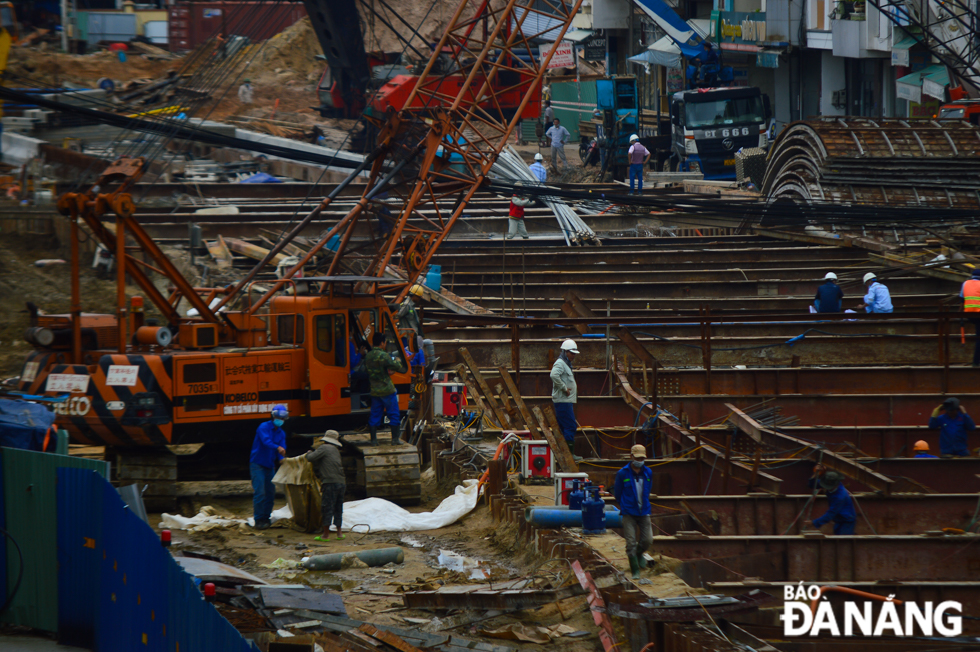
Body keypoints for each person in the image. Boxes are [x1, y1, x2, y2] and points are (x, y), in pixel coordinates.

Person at [613, 444, 653, 579]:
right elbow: (617, 493)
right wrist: (625, 505)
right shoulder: (623, 473)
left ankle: (639, 553)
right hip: (629, 512)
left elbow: (648, 490)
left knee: (647, 540)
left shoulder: (648, 472)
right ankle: (635, 569)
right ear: (631, 457)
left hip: (644, 511)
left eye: (642, 458)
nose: (640, 461)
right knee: (630, 542)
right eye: (638, 458)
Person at [365, 332, 408, 445]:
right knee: (393, 414)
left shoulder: (368, 356)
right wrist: (398, 361)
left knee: (375, 415)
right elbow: (396, 366)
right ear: (382, 343)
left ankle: (373, 440)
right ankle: (394, 440)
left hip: (375, 390)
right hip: (387, 390)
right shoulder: (383, 355)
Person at [249, 404, 288, 529]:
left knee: (270, 493)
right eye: (279, 418)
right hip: (258, 464)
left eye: (283, 419)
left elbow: (282, 449)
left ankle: (266, 518)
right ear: (273, 416)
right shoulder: (263, 427)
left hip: (270, 466)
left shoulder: (281, 433)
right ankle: (258, 519)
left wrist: (282, 459)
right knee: (260, 492)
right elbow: (266, 442)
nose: (280, 421)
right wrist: (278, 448)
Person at [307, 431, 346, 541]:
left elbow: (311, 458)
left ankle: (325, 535)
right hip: (341, 482)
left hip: (330, 482)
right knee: (338, 507)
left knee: (327, 507)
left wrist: (308, 453)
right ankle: (339, 533)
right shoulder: (336, 450)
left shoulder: (324, 448)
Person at [807, 465, 856, 535]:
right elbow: (812, 485)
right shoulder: (829, 482)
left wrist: (814, 522)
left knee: (843, 542)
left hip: (846, 521)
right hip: (838, 519)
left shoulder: (840, 496)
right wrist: (816, 474)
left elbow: (831, 513)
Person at [550, 339, 579, 449]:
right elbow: (553, 375)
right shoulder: (560, 363)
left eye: (574, 354)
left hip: (565, 401)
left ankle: (565, 452)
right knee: (570, 426)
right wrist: (564, 388)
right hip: (563, 401)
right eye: (571, 353)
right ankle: (569, 454)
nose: (573, 356)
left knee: (564, 427)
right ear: (565, 352)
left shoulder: (566, 363)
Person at [961, 268, 980, 367]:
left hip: (969, 314)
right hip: (978, 314)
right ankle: (976, 362)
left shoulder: (965, 283)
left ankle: (976, 362)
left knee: (978, 336)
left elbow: (961, 299)